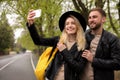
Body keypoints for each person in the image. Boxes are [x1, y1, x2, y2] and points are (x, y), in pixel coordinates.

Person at [27, 10, 87, 80]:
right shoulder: (58, 40)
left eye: (73, 23)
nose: (69, 26)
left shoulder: (83, 45)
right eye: (67, 24)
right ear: (65, 27)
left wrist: (64, 50)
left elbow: (78, 68)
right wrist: (31, 25)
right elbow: (38, 41)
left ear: (78, 26)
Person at [81, 8, 120, 80]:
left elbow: (117, 63)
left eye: (94, 17)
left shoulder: (112, 39)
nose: (91, 20)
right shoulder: (82, 36)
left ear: (103, 19)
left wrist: (94, 60)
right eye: (89, 17)